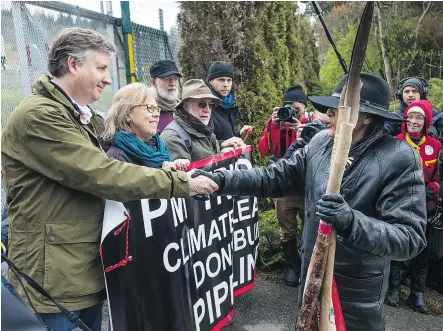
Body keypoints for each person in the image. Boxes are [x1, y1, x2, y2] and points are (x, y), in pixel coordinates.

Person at [1, 28, 216, 331]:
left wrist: (169, 170)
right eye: (101, 68)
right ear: (73, 65)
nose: (107, 78)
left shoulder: (79, 115)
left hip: (77, 268)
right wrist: (179, 184)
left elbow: (131, 157)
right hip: (52, 282)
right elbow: (101, 173)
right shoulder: (40, 116)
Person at [190, 73, 427, 331]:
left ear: (366, 117)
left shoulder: (399, 158)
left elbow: (410, 238)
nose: (326, 117)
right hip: (310, 286)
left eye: (335, 111)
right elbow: (273, 177)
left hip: (354, 300)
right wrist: (221, 180)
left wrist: (351, 222)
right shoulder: (321, 143)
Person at [385, 100, 441, 313]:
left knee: (421, 250)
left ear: (426, 121)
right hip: (397, 204)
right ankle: (394, 289)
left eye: (419, 117)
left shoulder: (436, 146)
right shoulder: (395, 143)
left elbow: (440, 177)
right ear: (405, 119)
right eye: (411, 117)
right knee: (395, 244)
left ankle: (417, 294)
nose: (414, 121)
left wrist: (433, 189)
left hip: (425, 207)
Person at [257, 85, 314, 287]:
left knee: (310, 225)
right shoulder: (277, 123)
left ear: (305, 107)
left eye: (295, 108)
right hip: (284, 184)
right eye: (287, 106)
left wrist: (303, 130)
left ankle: (309, 266)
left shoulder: (313, 123)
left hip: (306, 183)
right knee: (286, 227)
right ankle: (292, 266)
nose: (291, 112)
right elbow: (264, 150)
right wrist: (273, 126)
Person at [101, 82, 189, 170]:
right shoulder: (117, 157)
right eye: (150, 108)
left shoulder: (159, 148)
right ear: (127, 113)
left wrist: (177, 168)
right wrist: (166, 173)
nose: (157, 114)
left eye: (157, 109)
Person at [161, 79, 246, 162]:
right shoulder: (173, 137)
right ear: (186, 106)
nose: (207, 110)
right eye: (201, 104)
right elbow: (182, 175)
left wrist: (222, 151)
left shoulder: (204, 128)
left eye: (211, 105)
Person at [385, 76, 443, 140]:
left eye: (414, 91)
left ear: (422, 93)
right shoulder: (394, 118)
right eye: (407, 91)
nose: (410, 95)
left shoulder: (437, 117)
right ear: (401, 95)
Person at [206, 61, 252, 140]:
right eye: (221, 80)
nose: (226, 84)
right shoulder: (206, 106)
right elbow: (203, 142)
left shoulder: (227, 104)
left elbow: (224, 136)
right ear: (210, 81)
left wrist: (239, 134)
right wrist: (222, 145)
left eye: (229, 80)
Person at [149, 59, 182, 132]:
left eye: (176, 79)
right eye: (166, 79)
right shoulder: (148, 111)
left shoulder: (183, 108)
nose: (172, 83)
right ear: (153, 83)